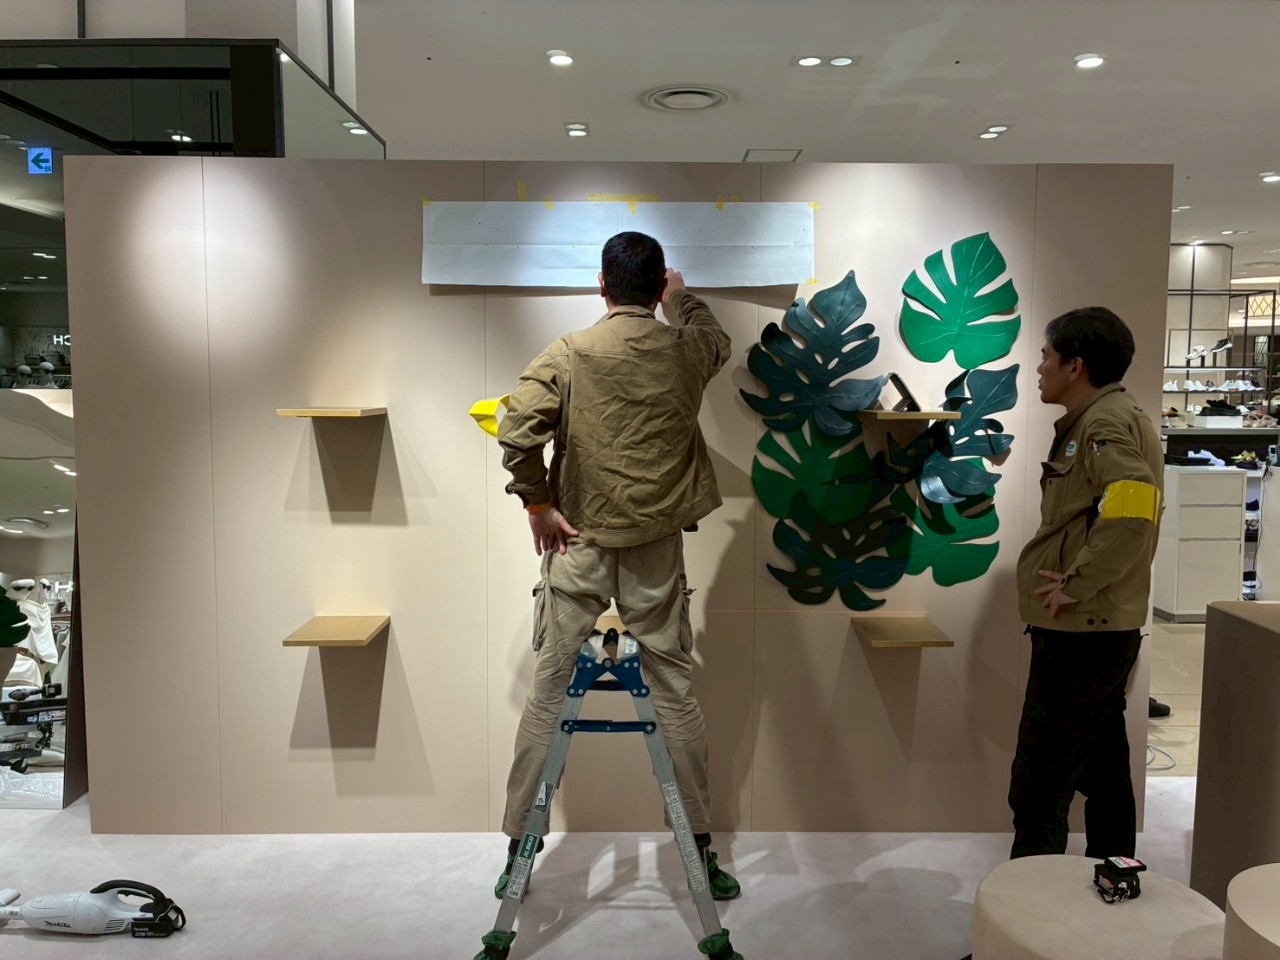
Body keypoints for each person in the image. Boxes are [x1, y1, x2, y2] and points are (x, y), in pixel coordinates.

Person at [493, 231, 740, 902]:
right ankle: (700, 853)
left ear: (601, 286)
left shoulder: (569, 352)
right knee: (676, 696)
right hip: (656, 548)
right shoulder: (689, 348)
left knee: (548, 691)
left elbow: (516, 432)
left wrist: (539, 505)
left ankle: (518, 852)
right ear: (657, 288)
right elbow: (716, 337)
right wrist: (683, 298)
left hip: (577, 545)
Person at [1009, 306, 1164, 860]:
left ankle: (1029, 906)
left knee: (1040, 783)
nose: (1039, 367)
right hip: (1099, 628)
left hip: (1083, 632)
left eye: (1046, 356)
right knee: (1104, 770)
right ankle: (1114, 881)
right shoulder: (1113, 416)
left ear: (1075, 366)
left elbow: (1133, 509)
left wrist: (1077, 582)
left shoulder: (1101, 424)